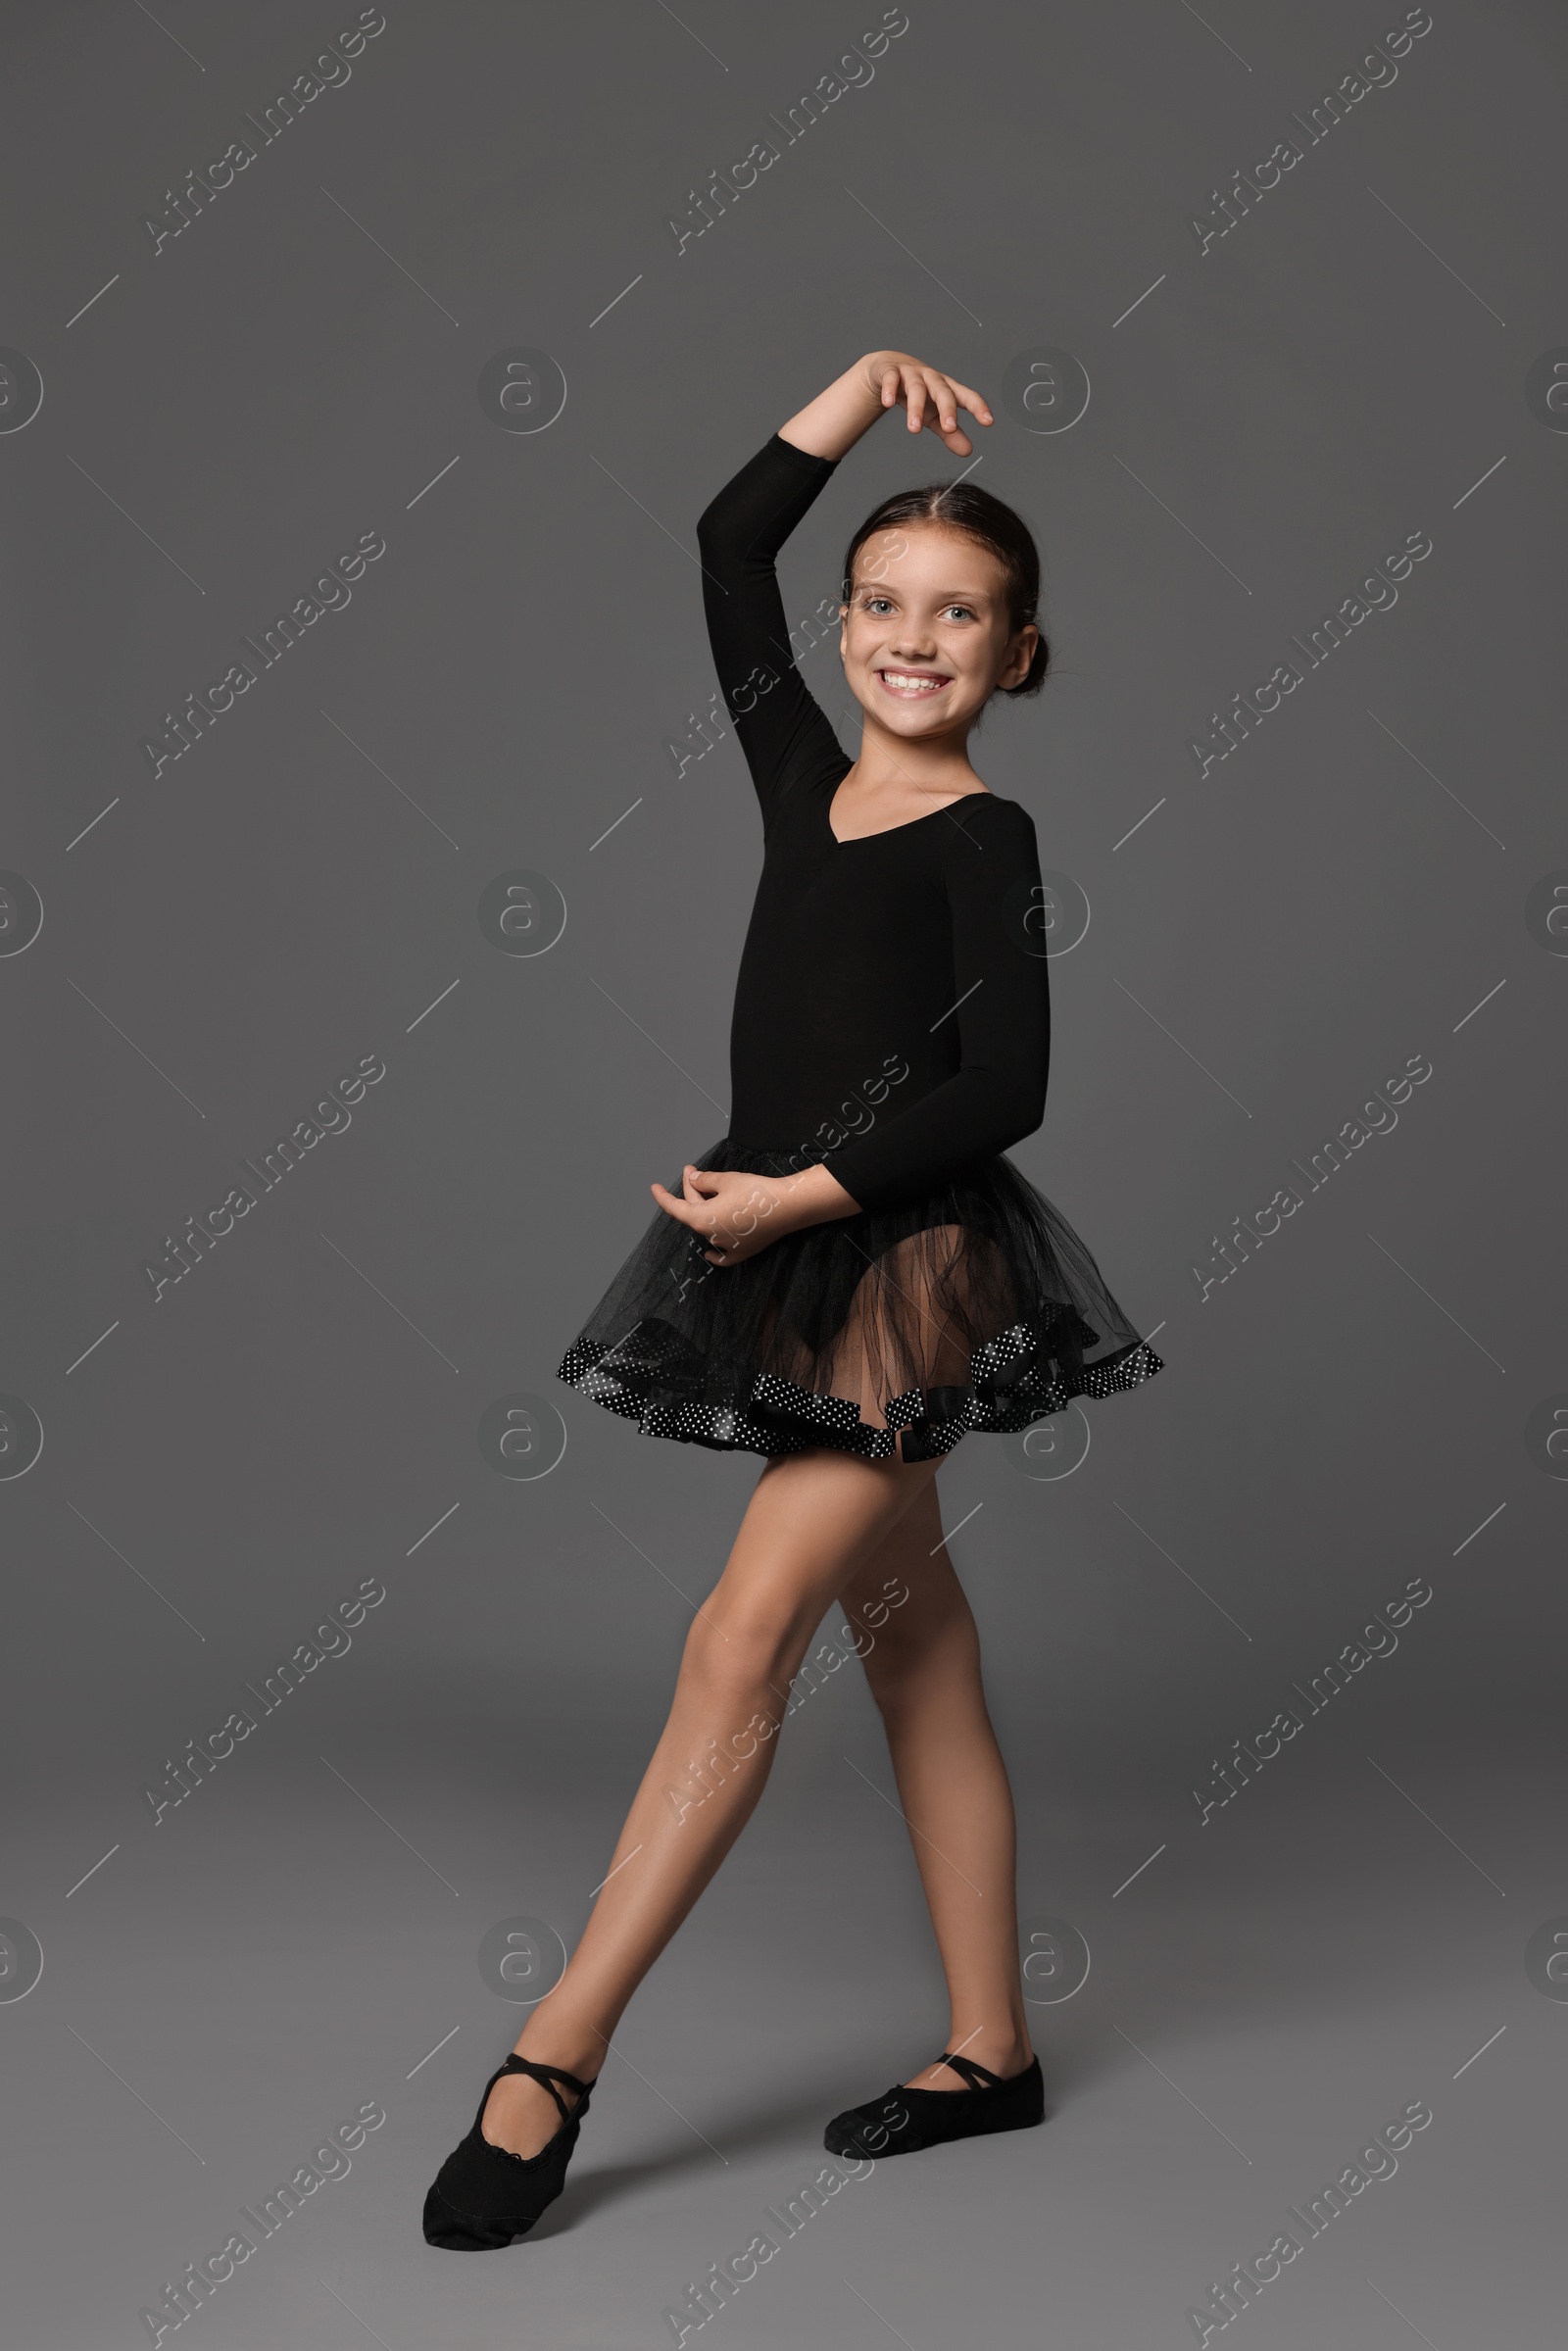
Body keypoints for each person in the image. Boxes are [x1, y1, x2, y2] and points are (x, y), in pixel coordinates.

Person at [422, 351, 1162, 2249]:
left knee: (739, 1638)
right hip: (787, 1237)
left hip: (895, 1262)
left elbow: (1002, 1091)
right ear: (842, 629)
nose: (915, 639)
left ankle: (551, 2057)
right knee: (913, 1648)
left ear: (1018, 654)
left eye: (961, 616)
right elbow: (723, 540)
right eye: (885, 604)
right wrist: (850, 388)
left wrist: (794, 1203)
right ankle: (990, 2050)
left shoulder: (980, 840)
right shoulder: (798, 777)